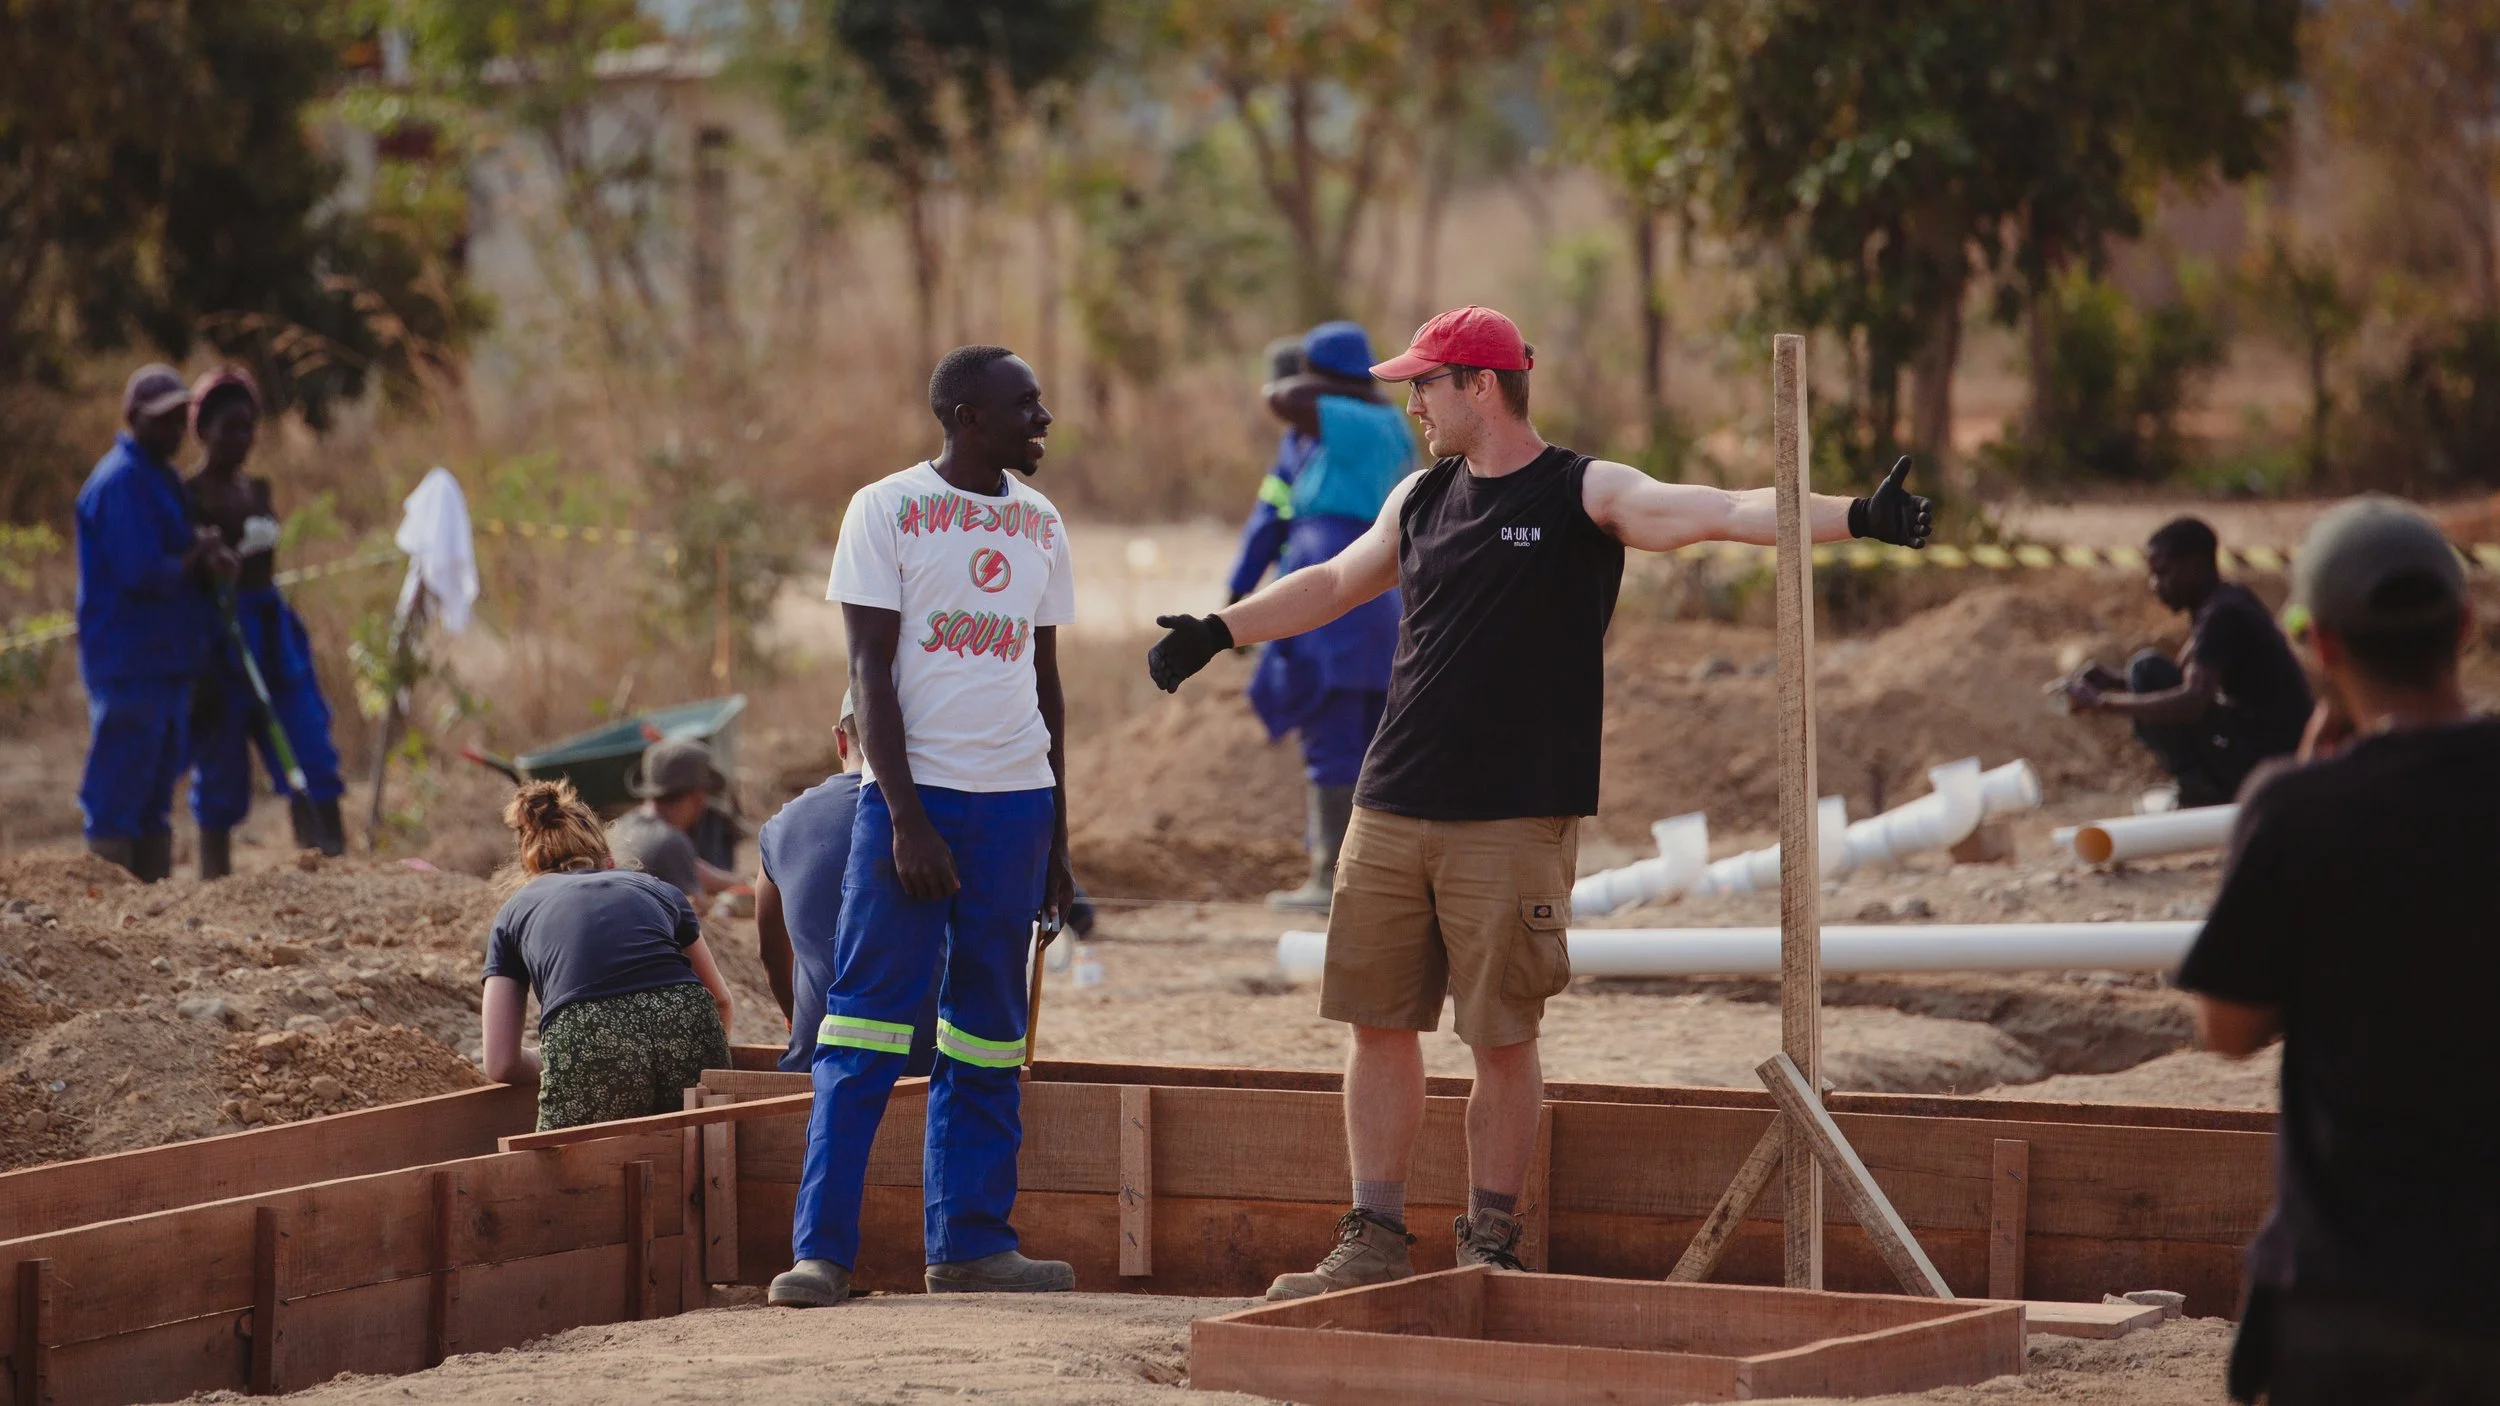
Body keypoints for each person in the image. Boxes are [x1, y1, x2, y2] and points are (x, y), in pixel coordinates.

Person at [1145, 305, 1933, 1299]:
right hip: (1392, 799)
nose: (1412, 403)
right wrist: (1219, 629)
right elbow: (1335, 580)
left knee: (1500, 1035)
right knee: (1376, 1024)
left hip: (1514, 813)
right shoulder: (1419, 496)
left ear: (1480, 384)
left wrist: (1855, 515)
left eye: (1425, 384)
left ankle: (1490, 1242)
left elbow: (1722, 510)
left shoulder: (1582, 490)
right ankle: (1374, 1234)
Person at [770, 345, 1081, 1310]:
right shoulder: (886, 508)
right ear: (965, 416)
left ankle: (972, 1246)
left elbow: (1045, 684)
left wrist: (1059, 839)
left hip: (1016, 806)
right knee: (862, 1026)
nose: (1043, 419)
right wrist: (903, 817)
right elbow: (869, 671)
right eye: (1025, 405)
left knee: (988, 1035)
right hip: (914, 803)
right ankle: (822, 1254)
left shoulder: (1041, 522)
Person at [2175, 498, 2500, 1404]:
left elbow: (2229, 1028)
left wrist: (2302, 795)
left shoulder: (2297, 811)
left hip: (2348, 1300)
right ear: (2464, 626)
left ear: (2320, 645)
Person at [1226, 322, 1411, 912]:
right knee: (1369, 739)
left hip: (1333, 599)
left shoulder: (1356, 422)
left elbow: (1282, 399)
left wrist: (1239, 599)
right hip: (1375, 594)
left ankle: (1331, 878)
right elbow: (1268, 517)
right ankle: (1373, 878)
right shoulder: (1354, 431)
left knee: (1335, 735)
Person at [479, 780, 735, 1132]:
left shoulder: (515, 911)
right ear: (609, 861)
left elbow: (500, 1063)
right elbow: (720, 1000)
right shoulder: (660, 890)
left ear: (531, 870)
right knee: (701, 1149)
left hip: (588, 1034)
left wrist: (557, 1060)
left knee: (567, 1160)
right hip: (688, 1021)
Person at [182, 367, 349, 876]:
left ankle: (328, 865)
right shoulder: (189, 495)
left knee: (309, 747)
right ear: (203, 429)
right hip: (221, 637)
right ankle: (215, 879)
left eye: (248, 426)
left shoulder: (256, 490)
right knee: (221, 764)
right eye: (229, 427)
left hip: (273, 635)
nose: (241, 438)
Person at [74, 365, 235, 882]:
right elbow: (143, 571)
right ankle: (105, 907)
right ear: (134, 418)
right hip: (129, 663)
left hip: (168, 664)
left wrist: (207, 552)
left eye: (178, 418)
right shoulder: (120, 482)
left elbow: (182, 548)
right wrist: (196, 556)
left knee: (154, 796)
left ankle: (147, 909)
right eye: (162, 419)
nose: (173, 430)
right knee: (117, 794)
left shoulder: (160, 477)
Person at [2060, 517, 2312, 807]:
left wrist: (2101, 703)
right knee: (2144, 671)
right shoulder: (2225, 601)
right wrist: (2114, 681)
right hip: (2270, 746)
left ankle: (2202, 788)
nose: (2155, 585)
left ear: (2195, 565)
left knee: (2146, 669)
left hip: (2271, 757)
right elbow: (2184, 677)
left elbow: (2193, 701)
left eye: (2162, 573)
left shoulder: (2221, 615)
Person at [607, 737, 746, 912]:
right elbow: (698, 909)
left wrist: (740, 883)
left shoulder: (622, 825)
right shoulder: (671, 841)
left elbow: (697, 870)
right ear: (698, 796)